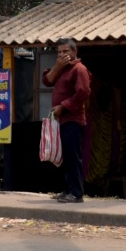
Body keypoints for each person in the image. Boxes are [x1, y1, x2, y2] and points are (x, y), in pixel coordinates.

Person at [43, 37, 91, 203]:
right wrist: (57, 66)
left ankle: (77, 193)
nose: (62, 55)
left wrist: (63, 106)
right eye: (59, 52)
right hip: (61, 121)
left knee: (73, 157)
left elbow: (83, 93)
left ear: (74, 52)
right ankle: (67, 190)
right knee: (65, 157)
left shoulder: (79, 69)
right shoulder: (62, 70)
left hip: (73, 120)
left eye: (66, 51)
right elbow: (47, 81)